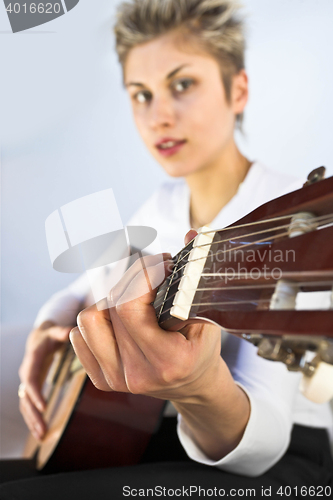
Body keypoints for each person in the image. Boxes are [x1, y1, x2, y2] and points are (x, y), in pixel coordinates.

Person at [1, 0, 332, 498]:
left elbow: (266, 441)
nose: (158, 116)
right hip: (150, 438)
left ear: (237, 89)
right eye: (141, 94)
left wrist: (198, 389)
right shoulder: (160, 206)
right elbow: (81, 288)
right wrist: (49, 328)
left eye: (182, 85)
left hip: (274, 461)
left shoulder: (286, 218)